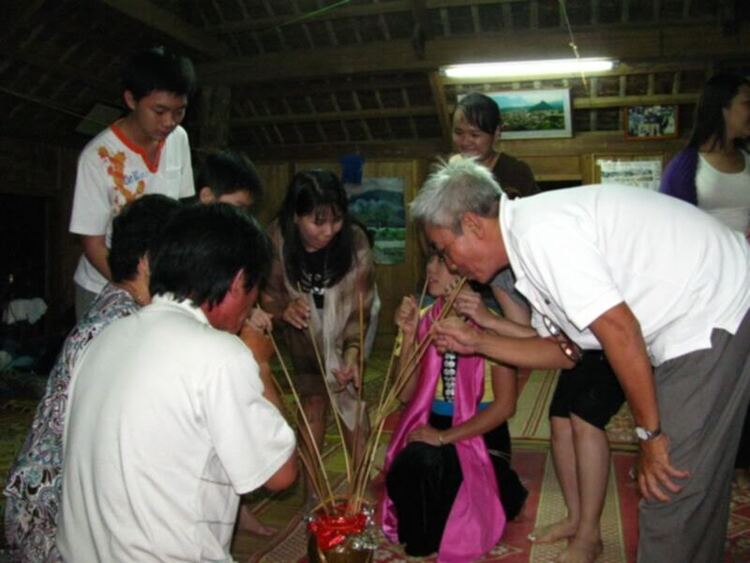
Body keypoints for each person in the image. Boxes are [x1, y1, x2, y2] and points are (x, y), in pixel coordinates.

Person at [412, 158, 750, 562]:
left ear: (471, 224)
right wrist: (477, 343)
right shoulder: (525, 249)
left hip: (713, 309)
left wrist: (651, 436)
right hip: (708, 308)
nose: (450, 265)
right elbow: (564, 351)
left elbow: (620, 331)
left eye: (447, 251)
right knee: (690, 483)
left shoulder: (541, 234)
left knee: (666, 484)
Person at [56, 204, 297, 561]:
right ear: (236, 283)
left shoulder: (102, 339)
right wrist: (260, 364)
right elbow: (281, 474)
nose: (253, 304)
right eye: (254, 289)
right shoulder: (221, 355)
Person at [3, 195, 181, 561]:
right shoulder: (124, 326)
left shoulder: (120, 305)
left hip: (48, 503)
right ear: (149, 260)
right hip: (54, 517)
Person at [380, 254, 526, 561]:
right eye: (429, 261)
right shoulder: (421, 318)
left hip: (484, 437)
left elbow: (504, 407)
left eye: (442, 262)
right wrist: (408, 336)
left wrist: (446, 437)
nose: (430, 269)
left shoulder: (490, 325)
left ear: (466, 272)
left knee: (437, 474)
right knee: (411, 464)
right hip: (433, 429)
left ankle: (503, 489)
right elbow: (406, 395)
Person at [660, 73, 750, 487]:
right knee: (715, 376)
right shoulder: (687, 165)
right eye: (746, 102)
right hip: (710, 288)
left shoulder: (749, 159)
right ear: (722, 108)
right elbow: (670, 231)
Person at [261, 170, 375, 481]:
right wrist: (284, 309)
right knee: (312, 400)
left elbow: (360, 309)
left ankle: (359, 490)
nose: (328, 231)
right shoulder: (276, 240)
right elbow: (267, 295)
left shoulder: (354, 242)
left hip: (348, 328)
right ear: (295, 216)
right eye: (317, 221)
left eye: (336, 220)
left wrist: (352, 353)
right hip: (301, 334)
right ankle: (313, 495)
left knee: (351, 394)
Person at [69, 46, 196, 320]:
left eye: (179, 112)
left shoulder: (179, 139)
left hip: (158, 284)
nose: (169, 122)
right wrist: (135, 288)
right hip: (104, 284)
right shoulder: (98, 158)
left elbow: (182, 214)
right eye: (159, 111)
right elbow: (93, 243)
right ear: (131, 99)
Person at [451, 92, 538, 198]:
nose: (465, 142)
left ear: (496, 133)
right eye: (458, 133)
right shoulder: (447, 173)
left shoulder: (516, 172)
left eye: (474, 135)